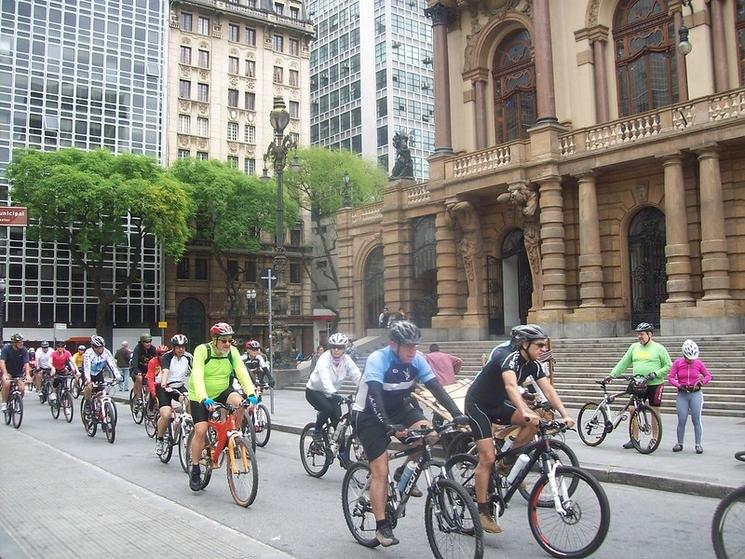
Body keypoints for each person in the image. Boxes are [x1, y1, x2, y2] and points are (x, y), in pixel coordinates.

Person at [351, 321, 466, 547]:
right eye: (408, 347)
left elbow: (436, 388)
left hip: (399, 408)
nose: (413, 351)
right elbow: (374, 396)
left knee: (431, 435)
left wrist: (456, 415)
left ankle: (405, 471)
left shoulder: (417, 360)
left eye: (415, 346)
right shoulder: (378, 359)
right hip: (368, 414)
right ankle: (382, 525)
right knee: (381, 470)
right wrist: (388, 425)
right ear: (394, 344)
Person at [464, 324, 575, 534]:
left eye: (545, 345)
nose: (544, 349)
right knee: (487, 458)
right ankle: (482, 511)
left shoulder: (533, 364)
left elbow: (548, 389)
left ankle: (505, 462)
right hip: (478, 404)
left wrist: (566, 414)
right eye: (540, 345)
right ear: (525, 344)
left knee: (533, 423)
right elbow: (511, 387)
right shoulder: (508, 357)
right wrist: (524, 409)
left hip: (497, 403)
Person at [188, 322, 258, 491]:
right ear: (215, 340)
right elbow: (197, 374)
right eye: (224, 341)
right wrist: (204, 398)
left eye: (229, 340)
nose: (228, 344)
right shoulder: (202, 350)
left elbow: (242, 373)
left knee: (241, 403)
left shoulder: (232, 352)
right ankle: (196, 467)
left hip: (222, 390)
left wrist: (251, 394)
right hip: (200, 394)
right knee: (201, 430)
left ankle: (234, 435)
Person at [606, 322, 671, 449]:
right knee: (632, 410)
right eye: (638, 334)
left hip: (655, 384)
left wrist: (656, 373)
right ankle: (635, 438)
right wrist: (612, 375)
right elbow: (623, 362)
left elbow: (668, 365)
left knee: (655, 412)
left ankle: (654, 438)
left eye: (642, 334)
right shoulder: (634, 347)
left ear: (650, 335)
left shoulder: (659, 348)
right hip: (638, 384)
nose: (639, 337)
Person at [305, 333, 361, 444]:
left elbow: (356, 375)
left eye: (339, 347)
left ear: (344, 348)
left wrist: (366, 388)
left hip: (332, 394)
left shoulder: (347, 360)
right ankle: (317, 431)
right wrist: (334, 393)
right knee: (327, 409)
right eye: (333, 347)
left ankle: (343, 458)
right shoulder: (324, 359)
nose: (336, 350)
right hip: (314, 391)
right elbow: (325, 378)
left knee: (338, 425)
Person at [668, 339, 712, 454]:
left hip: (695, 393)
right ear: (684, 355)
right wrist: (678, 385)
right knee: (681, 419)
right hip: (683, 394)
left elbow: (708, 375)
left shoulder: (698, 363)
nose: (690, 361)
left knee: (696, 419)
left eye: (692, 359)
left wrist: (702, 382)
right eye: (688, 358)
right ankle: (679, 443)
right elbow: (671, 377)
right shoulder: (678, 363)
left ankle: (698, 444)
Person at [153, 334, 193, 456]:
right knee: (166, 415)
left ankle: (186, 424)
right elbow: (165, 371)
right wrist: (164, 383)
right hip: (165, 387)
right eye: (178, 347)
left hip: (178, 385)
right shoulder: (167, 357)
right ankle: (160, 439)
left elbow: (196, 372)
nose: (181, 349)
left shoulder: (188, 357)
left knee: (189, 400)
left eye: (183, 347)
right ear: (173, 347)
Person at [82, 335, 121, 404]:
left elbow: (112, 365)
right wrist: (88, 379)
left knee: (101, 392)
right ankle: (87, 403)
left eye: (102, 347)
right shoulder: (88, 353)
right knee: (89, 387)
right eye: (97, 347)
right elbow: (87, 367)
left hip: (98, 373)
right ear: (93, 347)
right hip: (88, 373)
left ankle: (100, 407)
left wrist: (117, 376)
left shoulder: (106, 352)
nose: (100, 349)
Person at [0, 333, 32, 412]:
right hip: (8, 371)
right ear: (14, 343)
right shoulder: (6, 349)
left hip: (18, 372)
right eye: (19, 342)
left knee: (21, 388)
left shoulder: (24, 350)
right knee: (7, 383)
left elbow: (26, 363)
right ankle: (4, 403)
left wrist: (28, 375)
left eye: (22, 342)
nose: (22, 343)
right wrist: (5, 373)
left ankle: (17, 402)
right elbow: (2, 362)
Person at [129, 334, 155, 405]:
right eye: (146, 342)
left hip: (147, 370)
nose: (148, 343)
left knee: (148, 385)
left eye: (150, 341)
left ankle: (145, 399)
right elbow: (134, 361)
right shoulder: (137, 349)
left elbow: (157, 358)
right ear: (142, 342)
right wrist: (136, 370)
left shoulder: (152, 349)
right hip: (137, 369)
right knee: (139, 378)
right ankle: (138, 397)